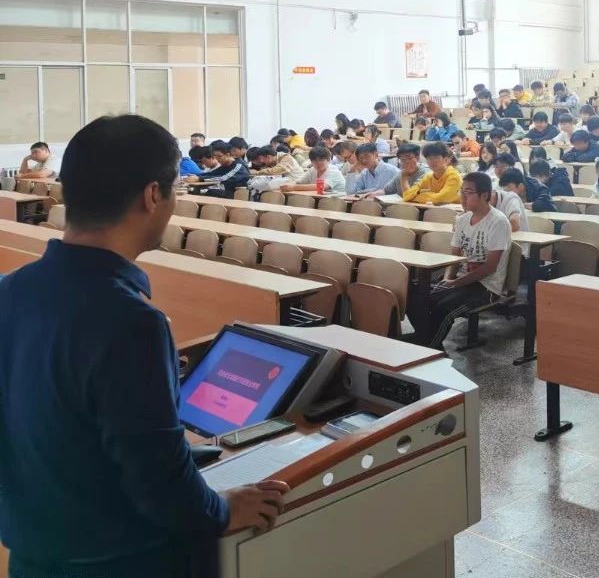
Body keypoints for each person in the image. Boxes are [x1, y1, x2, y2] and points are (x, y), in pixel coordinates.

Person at [0, 115, 288, 576]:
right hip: (120, 561)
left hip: (34, 553)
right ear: (153, 195)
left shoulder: (9, 290)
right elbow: (158, 479)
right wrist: (220, 510)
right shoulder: (130, 322)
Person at [411, 171, 512, 347]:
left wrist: (455, 283)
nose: (463, 197)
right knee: (414, 295)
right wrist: (448, 278)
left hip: (485, 287)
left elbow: (490, 267)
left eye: (469, 192)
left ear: (484, 195)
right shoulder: (462, 220)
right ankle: (427, 343)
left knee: (443, 309)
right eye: (461, 192)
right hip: (461, 279)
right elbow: (455, 256)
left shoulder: (498, 222)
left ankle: (429, 348)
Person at [361, 142, 427, 198]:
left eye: (409, 158)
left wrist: (403, 177)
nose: (406, 162)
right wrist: (372, 194)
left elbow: (409, 197)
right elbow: (386, 191)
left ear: (418, 158)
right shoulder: (401, 173)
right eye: (402, 159)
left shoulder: (425, 174)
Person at [278, 145, 347, 196]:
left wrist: (293, 187)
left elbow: (321, 187)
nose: (318, 163)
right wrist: (288, 185)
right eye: (315, 161)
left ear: (328, 160)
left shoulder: (334, 171)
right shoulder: (312, 170)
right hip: (321, 199)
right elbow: (299, 182)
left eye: (321, 160)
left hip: (339, 201)